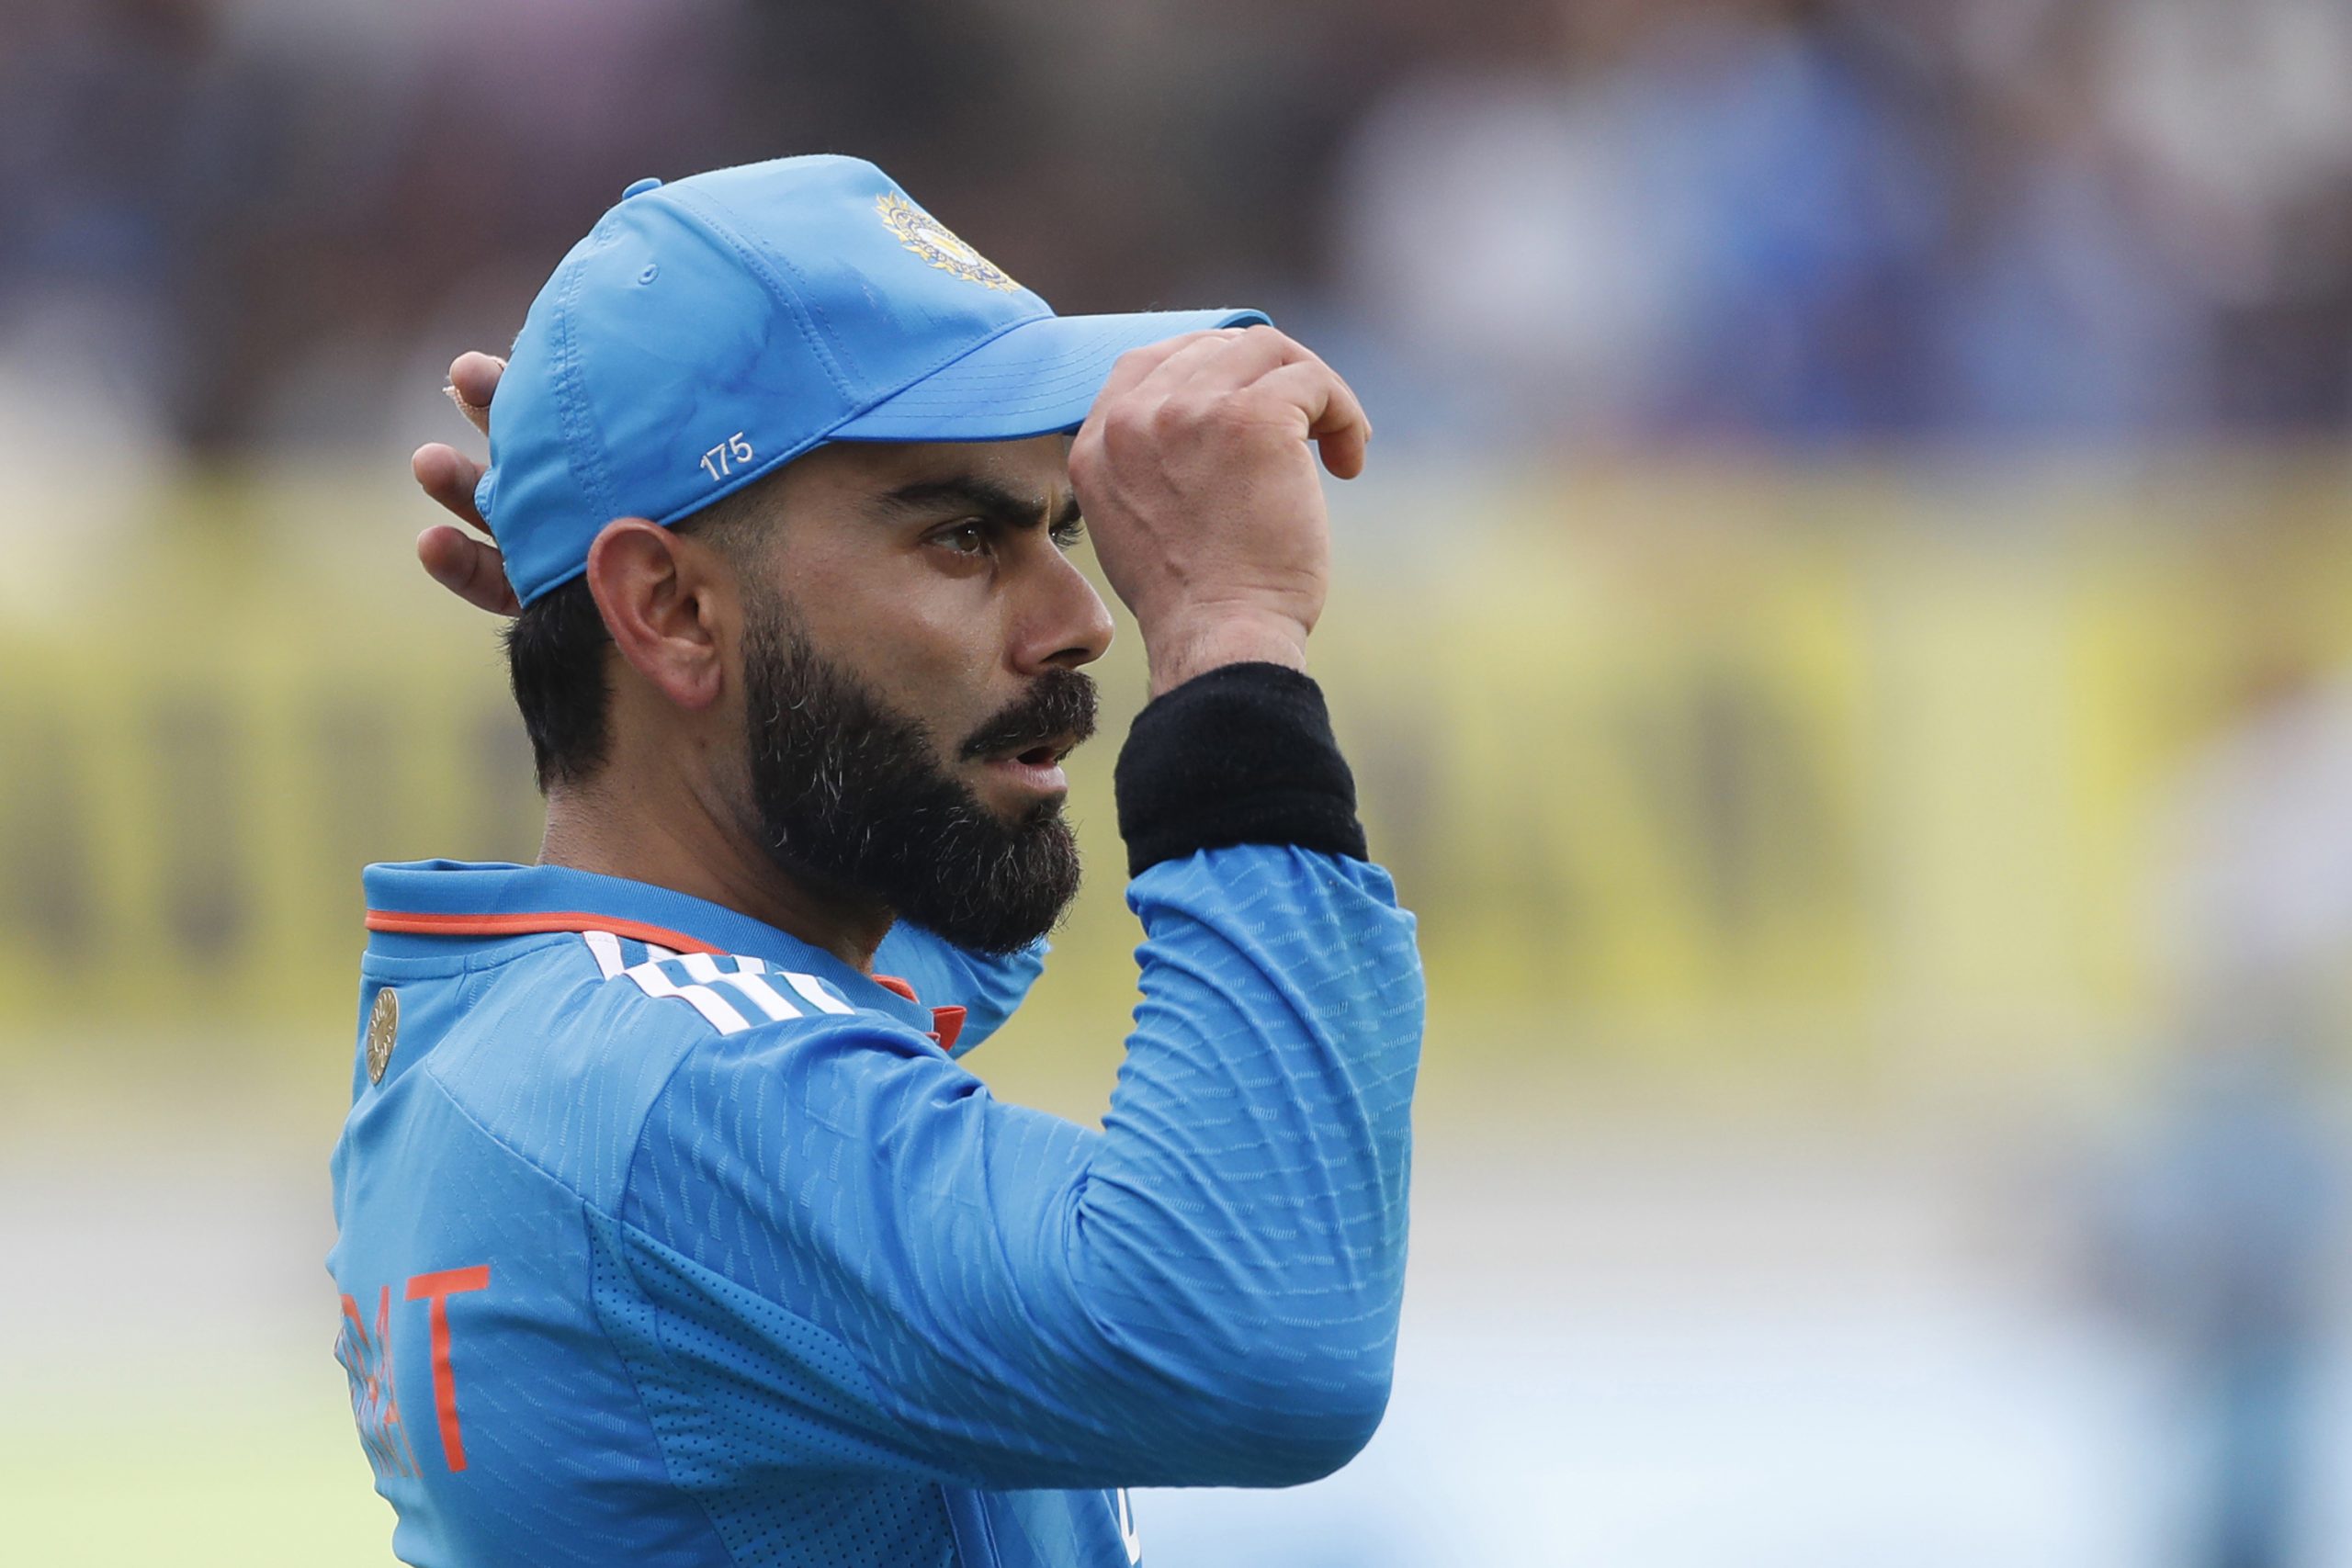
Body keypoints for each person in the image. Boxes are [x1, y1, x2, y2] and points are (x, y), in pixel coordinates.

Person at [328, 154, 1424, 1568]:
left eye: (1060, 528)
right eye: (965, 536)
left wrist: (615, 627)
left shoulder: (534, 1032)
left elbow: (931, 944)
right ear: (665, 603)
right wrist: (1228, 644)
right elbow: (1261, 1332)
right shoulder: (686, 1096)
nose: (1085, 618)